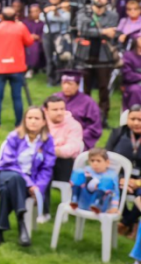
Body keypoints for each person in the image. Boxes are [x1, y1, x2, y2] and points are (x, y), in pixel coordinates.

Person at [0, 106, 54, 247]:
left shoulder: (48, 141)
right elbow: (10, 163)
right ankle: (21, 223)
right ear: (24, 120)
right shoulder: (14, 136)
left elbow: (47, 169)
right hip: (5, 172)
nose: (33, 121)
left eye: (37, 118)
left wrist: (38, 188)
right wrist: (29, 184)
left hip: (24, 182)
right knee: (15, 178)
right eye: (30, 118)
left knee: (7, 190)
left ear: (43, 122)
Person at [0, 8, 34, 129]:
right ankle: (18, 125)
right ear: (15, 17)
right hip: (17, 67)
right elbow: (30, 41)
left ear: (1, 16)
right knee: (17, 96)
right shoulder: (20, 27)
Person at [76, 0, 119, 124]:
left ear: (107, 0)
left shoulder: (112, 15)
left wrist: (94, 31)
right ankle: (84, 114)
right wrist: (103, 31)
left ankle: (102, 116)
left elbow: (112, 33)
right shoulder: (84, 13)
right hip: (86, 54)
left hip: (104, 55)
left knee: (103, 87)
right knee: (85, 88)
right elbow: (82, 30)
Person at [42, 94, 84, 220]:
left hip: (64, 166)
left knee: (47, 165)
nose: (60, 112)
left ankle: (44, 211)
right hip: (43, 162)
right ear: (46, 111)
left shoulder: (73, 125)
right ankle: (39, 208)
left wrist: (50, 150)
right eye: (55, 110)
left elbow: (72, 149)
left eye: (62, 109)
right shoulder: (40, 123)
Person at [106, 105, 141, 237]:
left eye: (140, 119)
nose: (136, 123)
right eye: (133, 119)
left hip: (139, 180)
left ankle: (125, 223)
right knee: (116, 188)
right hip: (119, 176)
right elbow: (107, 158)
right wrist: (121, 179)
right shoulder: (118, 133)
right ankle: (131, 221)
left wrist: (137, 183)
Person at [56, 69, 102, 150]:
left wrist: (76, 136)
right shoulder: (54, 99)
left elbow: (95, 127)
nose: (66, 87)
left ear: (78, 85)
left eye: (70, 84)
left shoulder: (88, 102)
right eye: (64, 83)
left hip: (79, 140)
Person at [70, 147, 120, 214]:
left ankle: (97, 202)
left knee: (106, 180)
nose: (95, 163)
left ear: (107, 162)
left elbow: (115, 193)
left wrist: (114, 207)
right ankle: (74, 198)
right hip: (83, 201)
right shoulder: (86, 170)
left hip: (101, 205)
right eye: (92, 160)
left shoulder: (112, 175)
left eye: (98, 161)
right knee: (78, 172)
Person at [41, 0, 72, 84]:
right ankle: (51, 79)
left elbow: (66, 18)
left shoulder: (65, 7)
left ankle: (60, 79)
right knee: (49, 59)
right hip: (48, 35)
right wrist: (54, 9)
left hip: (60, 35)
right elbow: (43, 17)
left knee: (60, 58)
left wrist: (55, 10)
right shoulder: (46, 7)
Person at [123, 34, 141, 110]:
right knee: (135, 90)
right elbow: (127, 75)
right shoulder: (128, 56)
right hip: (133, 84)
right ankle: (135, 115)